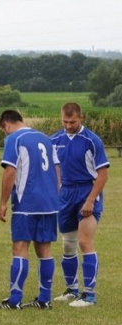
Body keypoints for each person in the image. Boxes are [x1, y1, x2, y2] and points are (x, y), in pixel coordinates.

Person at [0, 110, 59, 310]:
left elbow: (10, 171)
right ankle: (44, 299)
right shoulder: (46, 139)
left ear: (6, 124)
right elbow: (57, 169)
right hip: (49, 203)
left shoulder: (14, 139)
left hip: (27, 202)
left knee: (20, 248)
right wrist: (54, 194)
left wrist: (3, 202)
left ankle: (15, 300)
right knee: (44, 249)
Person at [50, 102, 109, 308]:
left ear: (81, 118)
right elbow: (52, 168)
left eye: (72, 122)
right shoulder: (55, 140)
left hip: (87, 192)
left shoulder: (92, 141)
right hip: (65, 195)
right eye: (65, 121)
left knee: (85, 242)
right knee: (68, 244)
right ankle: (72, 289)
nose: (68, 125)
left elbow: (103, 174)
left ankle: (90, 295)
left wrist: (91, 199)